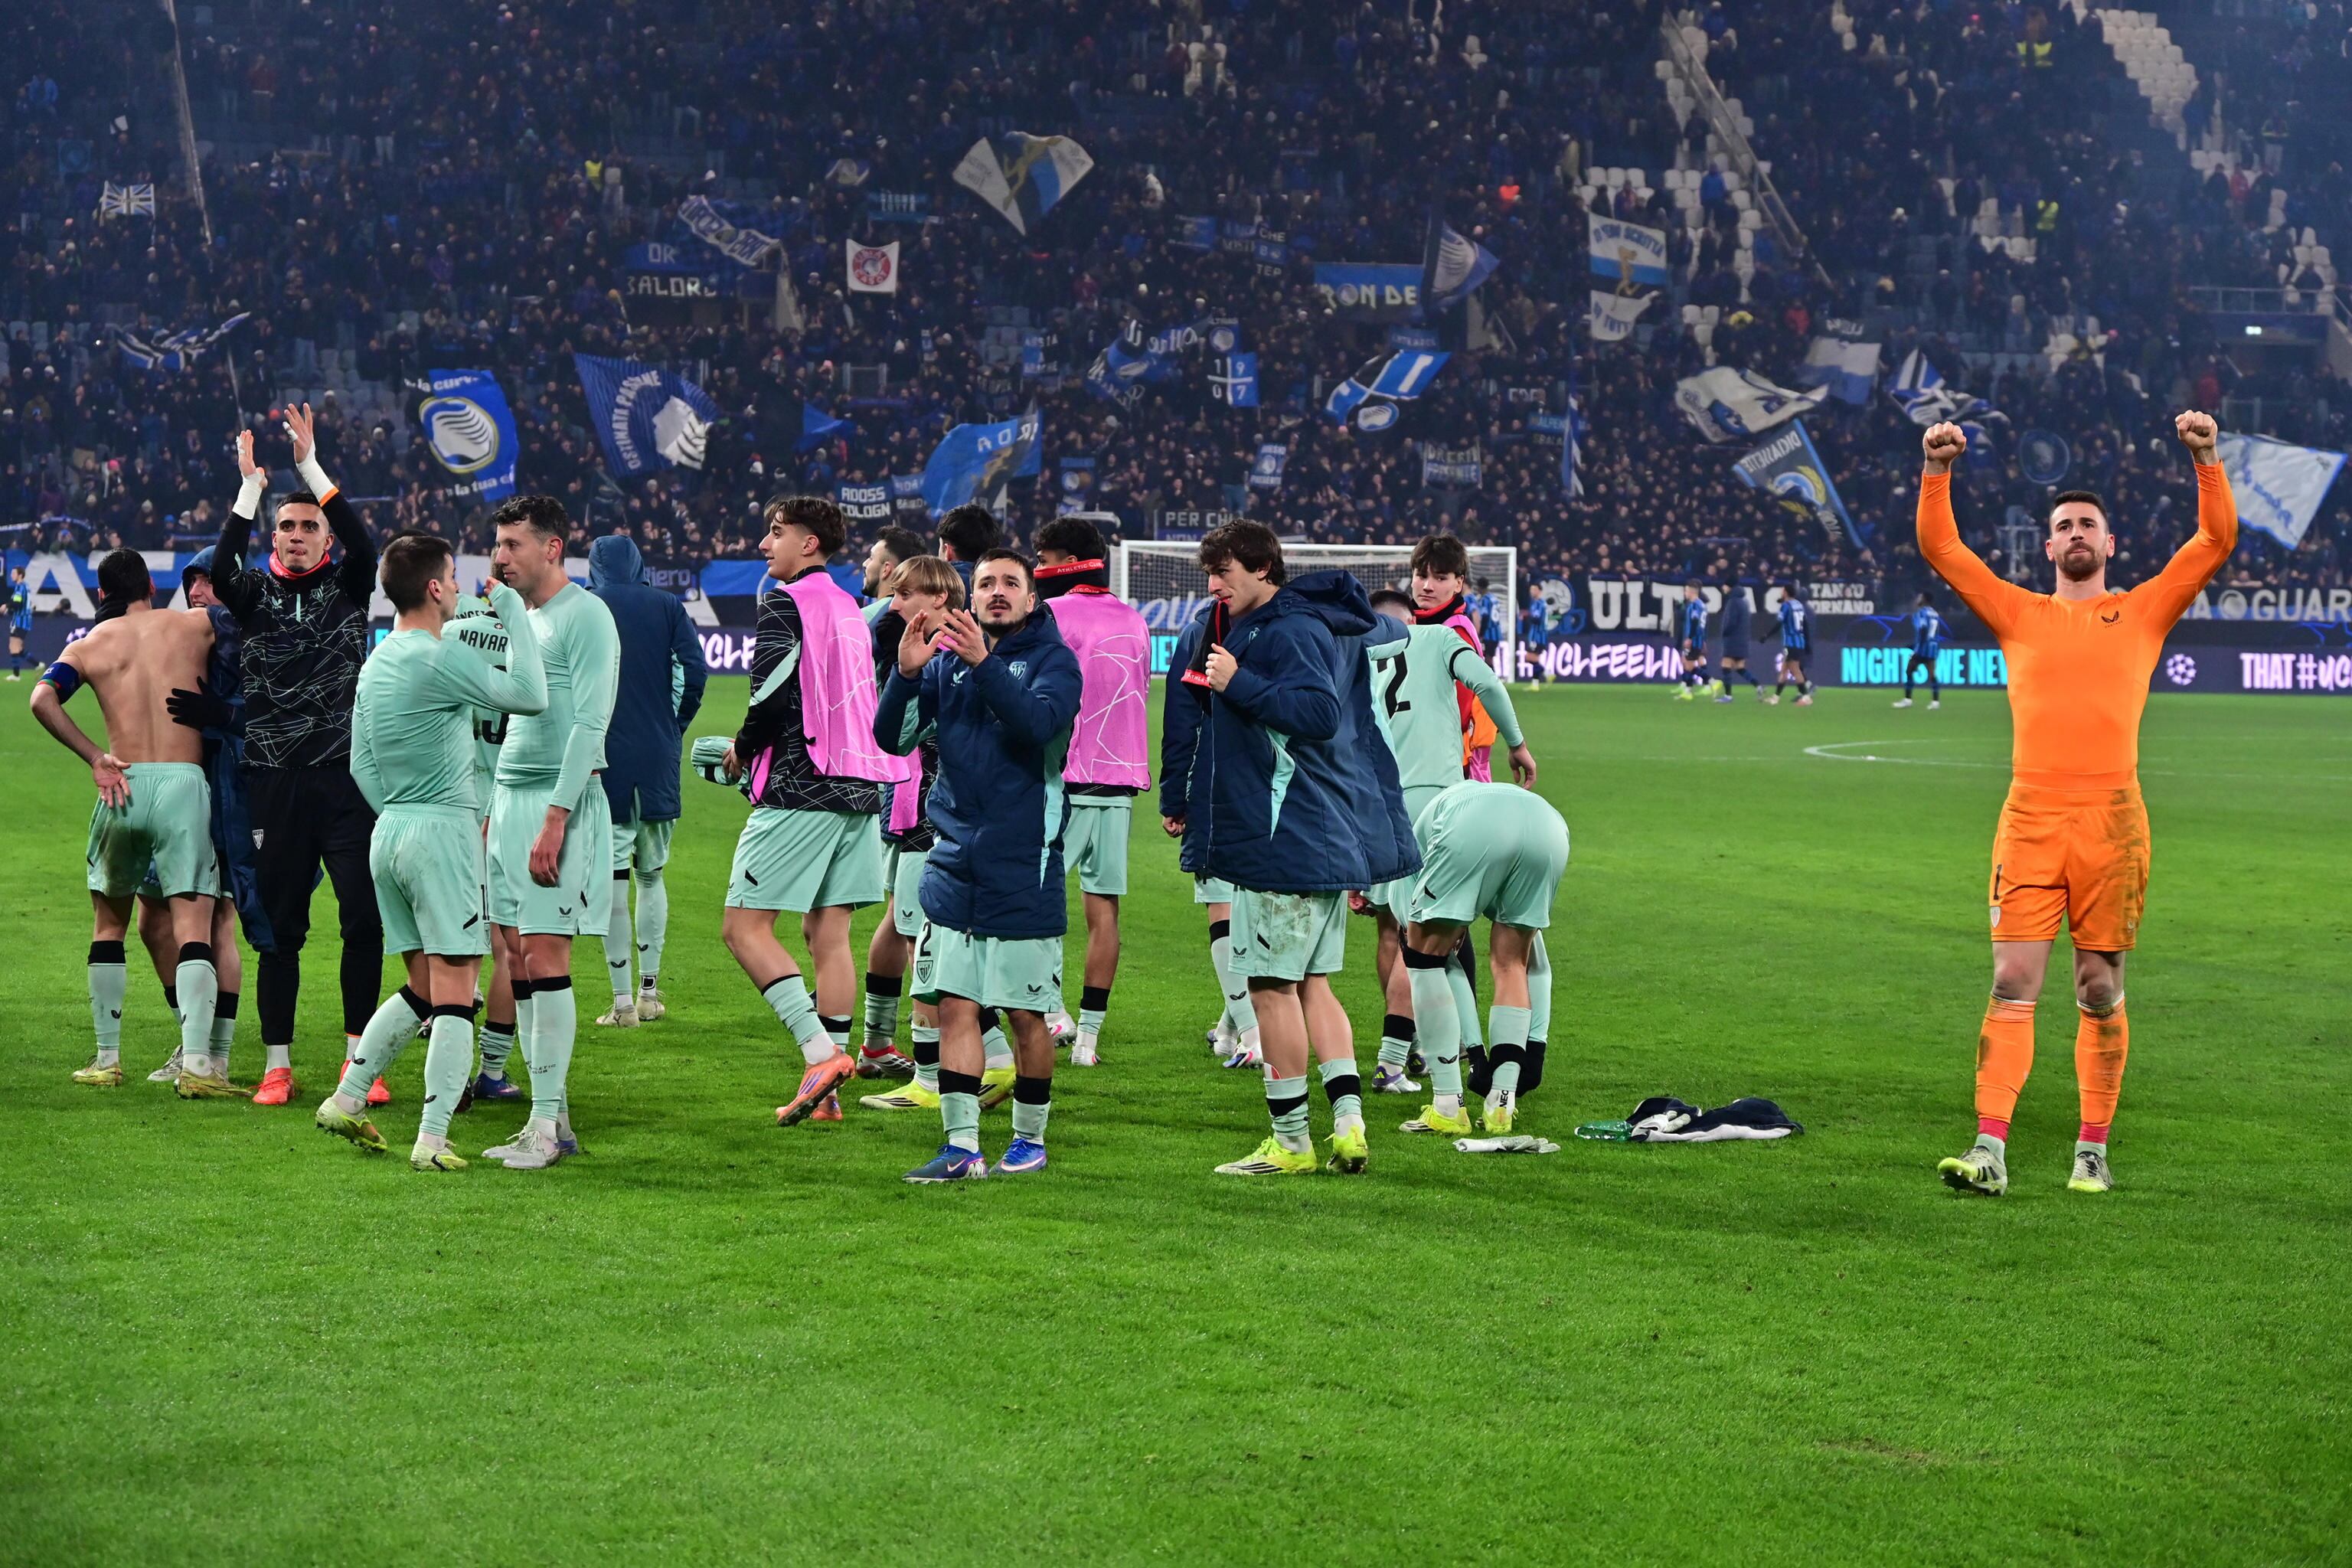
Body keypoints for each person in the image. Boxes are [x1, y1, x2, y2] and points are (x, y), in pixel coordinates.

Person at [1917, 413, 2236, 1197]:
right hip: (2030, 815)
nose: (2076, 532)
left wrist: (2206, 459)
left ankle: (2091, 1148)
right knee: (2011, 979)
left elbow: (2214, 542)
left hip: (2112, 819)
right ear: (2049, 548)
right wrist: (1935, 471)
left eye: (2089, 522)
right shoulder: (2020, 612)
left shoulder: (2144, 610)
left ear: (2110, 544)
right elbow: (1943, 550)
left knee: (2098, 986)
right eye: (2063, 526)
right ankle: (1989, 1145)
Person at [1186, 521, 1419, 1178]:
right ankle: (1349, 1126)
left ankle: (1291, 1141)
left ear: (1263, 568)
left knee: (1268, 988)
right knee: (1312, 984)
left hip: (1282, 838)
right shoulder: (1303, 622)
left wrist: (1239, 683)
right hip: (1315, 833)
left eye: (1225, 571)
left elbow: (1317, 715)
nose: (1214, 585)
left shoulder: (1287, 630)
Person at [315, 533, 547, 1170]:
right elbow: (530, 693)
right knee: (455, 990)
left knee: (421, 984)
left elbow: (360, 761)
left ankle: (348, 1097)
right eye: (452, 574)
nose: (459, 584)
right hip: (442, 831)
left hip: (387, 831)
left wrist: (398, 808)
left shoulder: (378, 659)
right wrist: (516, 617)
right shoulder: (437, 658)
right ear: (437, 588)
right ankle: (433, 1136)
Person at [877, 550, 1082, 1181]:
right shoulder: (946, 663)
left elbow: (1037, 724)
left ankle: (1030, 1139)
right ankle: (962, 1147)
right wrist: (907, 676)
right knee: (956, 1004)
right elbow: (894, 739)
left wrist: (985, 665)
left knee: (1024, 1014)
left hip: (1025, 863)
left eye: (1010, 584)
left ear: (1031, 598)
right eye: (986, 582)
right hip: (953, 859)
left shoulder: (1055, 662)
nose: (996, 592)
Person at [209, 406, 385, 1101]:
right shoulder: (250, 595)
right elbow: (220, 563)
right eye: (287, 526)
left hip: (346, 782)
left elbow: (365, 544)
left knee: (363, 922)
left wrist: (311, 466)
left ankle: (357, 1064)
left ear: (324, 540)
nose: (299, 535)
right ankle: (277, 1065)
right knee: (279, 930)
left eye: (309, 526)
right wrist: (250, 488)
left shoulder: (350, 587)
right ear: (273, 537)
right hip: (274, 786)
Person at [720, 495, 895, 1128]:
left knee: (744, 929)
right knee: (830, 935)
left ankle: (821, 1055)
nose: (765, 545)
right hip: (860, 786)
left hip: (802, 784)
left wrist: (742, 748)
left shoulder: (785, 603)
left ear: (810, 544)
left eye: (776, 533)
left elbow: (767, 697)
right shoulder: (849, 608)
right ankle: (831, 1088)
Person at [32, 550, 227, 1094]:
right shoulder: (194, 625)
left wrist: (95, 755)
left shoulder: (88, 645)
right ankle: (197, 1067)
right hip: (183, 783)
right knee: (193, 929)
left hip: (123, 781)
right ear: (149, 584)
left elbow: (41, 698)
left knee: (110, 926)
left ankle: (106, 1059)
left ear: (101, 596)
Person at [479, 495, 620, 1171]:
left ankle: (542, 1127)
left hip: (551, 805)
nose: (499, 556)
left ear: (552, 548)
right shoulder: (524, 617)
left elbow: (591, 725)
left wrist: (555, 819)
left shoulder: (586, 615)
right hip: (509, 798)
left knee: (546, 958)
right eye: (498, 544)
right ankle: (552, 1119)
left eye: (511, 545)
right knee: (515, 957)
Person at [1358, 588, 1537, 1099]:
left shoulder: (1358, 658)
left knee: (1403, 938)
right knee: (1435, 944)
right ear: (1409, 619)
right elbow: (1486, 683)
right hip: (1437, 806)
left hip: (1379, 809)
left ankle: (1418, 1058)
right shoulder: (1437, 637)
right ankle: (1411, 1060)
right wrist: (1517, 743)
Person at [141, 544, 273, 1093]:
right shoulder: (197, 634)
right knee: (154, 922)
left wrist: (223, 718)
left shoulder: (248, 631)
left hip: (227, 796)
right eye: (193, 582)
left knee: (214, 922)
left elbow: (274, 711)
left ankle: (210, 1055)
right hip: (185, 791)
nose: (197, 592)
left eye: (208, 583)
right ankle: (196, 1040)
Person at [1035, 514, 1151, 1067]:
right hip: (1121, 783)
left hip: (1066, 778)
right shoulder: (1136, 620)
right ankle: (1088, 1041)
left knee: (1039, 901)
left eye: (1044, 558)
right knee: (1104, 911)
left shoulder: (1052, 615)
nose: (1037, 570)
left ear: (1065, 560)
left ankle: (1053, 1009)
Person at [1396, 779, 1570, 1135]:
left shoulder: (1401, 873)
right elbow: (1537, 967)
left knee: (1423, 958)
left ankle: (1447, 1106)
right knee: (1512, 964)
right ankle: (1502, 1103)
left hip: (1473, 828)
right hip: (1549, 825)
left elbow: (1439, 962)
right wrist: (1533, 1051)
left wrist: (1477, 1055)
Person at [586, 534, 707, 1027]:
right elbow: (694, 671)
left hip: (602, 757)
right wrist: (672, 726)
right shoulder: (667, 605)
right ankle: (650, 992)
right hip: (658, 756)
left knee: (613, 878)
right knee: (652, 873)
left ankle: (620, 1004)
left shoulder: (585, 605)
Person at [857, 555, 962, 1110]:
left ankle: (929, 1073)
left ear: (939, 597)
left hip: (931, 812)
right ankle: (890, 1051)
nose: (892, 604)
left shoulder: (957, 654)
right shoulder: (912, 645)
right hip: (911, 803)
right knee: (907, 924)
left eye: (903, 593)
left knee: (922, 933)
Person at [1161, 594, 1262, 1070]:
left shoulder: (1200, 633)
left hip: (1217, 782)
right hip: (1279, 790)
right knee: (1258, 909)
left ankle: (1253, 1033)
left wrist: (1173, 795)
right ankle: (1231, 1026)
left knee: (1223, 904)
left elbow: (1181, 719)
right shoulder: (1286, 630)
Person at [443, 580, 524, 1105]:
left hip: (450, 807)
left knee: (449, 943)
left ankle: (445, 1071)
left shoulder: (450, 645)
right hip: (509, 811)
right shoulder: (530, 650)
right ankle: (491, 1070)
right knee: (508, 947)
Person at [1409, 534, 1496, 781]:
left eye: (1440, 578)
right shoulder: (1406, 623)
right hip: (1415, 759)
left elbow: (1460, 710)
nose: (1427, 586)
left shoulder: (1455, 632)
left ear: (1459, 584)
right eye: (1421, 575)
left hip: (1447, 765)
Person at [1895, 591, 1949, 709]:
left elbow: (1923, 629)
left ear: (1924, 599)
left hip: (1923, 647)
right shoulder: (1935, 613)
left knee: (1909, 670)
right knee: (1932, 674)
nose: (1917, 599)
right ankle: (1935, 702)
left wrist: (1916, 648)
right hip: (1933, 647)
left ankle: (1907, 700)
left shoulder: (1921, 613)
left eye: (1919, 597)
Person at [1715, 584, 1761, 702]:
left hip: (1732, 640)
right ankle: (1758, 685)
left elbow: (1731, 622)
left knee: (1726, 664)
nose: (1725, 589)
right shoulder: (1745, 603)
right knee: (1739, 667)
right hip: (1743, 640)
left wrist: (1724, 632)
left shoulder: (1733, 602)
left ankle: (1728, 696)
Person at [1772, 583, 1815, 707]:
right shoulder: (1802, 607)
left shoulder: (1789, 606)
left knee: (1795, 669)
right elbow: (1806, 626)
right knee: (1787, 669)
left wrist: (1766, 635)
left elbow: (1781, 623)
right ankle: (1776, 698)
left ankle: (1806, 695)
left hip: (1792, 642)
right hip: (1801, 642)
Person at [1674, 583, 1713, 701]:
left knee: (1688, 664)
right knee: (1687, 663)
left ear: (1691, 592)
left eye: (1686, 591)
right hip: (1698, 639)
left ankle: (1711, 681)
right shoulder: (1702, 605)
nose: (1685, 594)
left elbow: (1695, 622)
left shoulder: (1695, 605)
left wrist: (1689, 638)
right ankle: (1688, 691)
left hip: (1694, 640)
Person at [1517, 586, 1553, 684]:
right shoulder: (1536, 603)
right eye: (1531, 589)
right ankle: (1536, 683)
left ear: (1540, 591)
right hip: (1536, 635)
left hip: (1538, 636)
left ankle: (1546, 674)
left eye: (1534, 589)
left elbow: (1536, 619)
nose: (1532, 591)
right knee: (1533, 658)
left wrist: (1527, 615)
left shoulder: (1539, 603)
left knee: (1530, 658)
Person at [8, 563, 29, 679]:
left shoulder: (21, 587)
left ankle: (16, 675)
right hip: (21, 620)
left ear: (20, 575)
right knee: (17, 648)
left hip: (20, 621)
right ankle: (38, 664)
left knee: (14, 647)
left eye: (14, 573)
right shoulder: (24, 587)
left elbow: (17, 603)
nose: (11, 575)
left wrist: (6, 606)